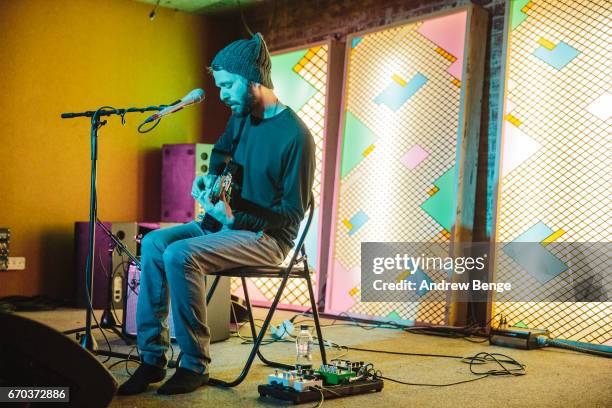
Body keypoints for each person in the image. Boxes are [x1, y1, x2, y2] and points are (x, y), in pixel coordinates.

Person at [117, 33, 315, 396]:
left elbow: (291, 213)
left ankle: (194, 364)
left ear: (254, 79)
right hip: (221, 225)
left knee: (180, 254)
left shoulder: (296, 136)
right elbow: (222, 155)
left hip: (266, 239)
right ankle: (152, 358)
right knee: (155, 244)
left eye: (227, 85)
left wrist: (234, 218)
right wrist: (207, 178)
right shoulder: (241, 117)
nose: (221, 94)